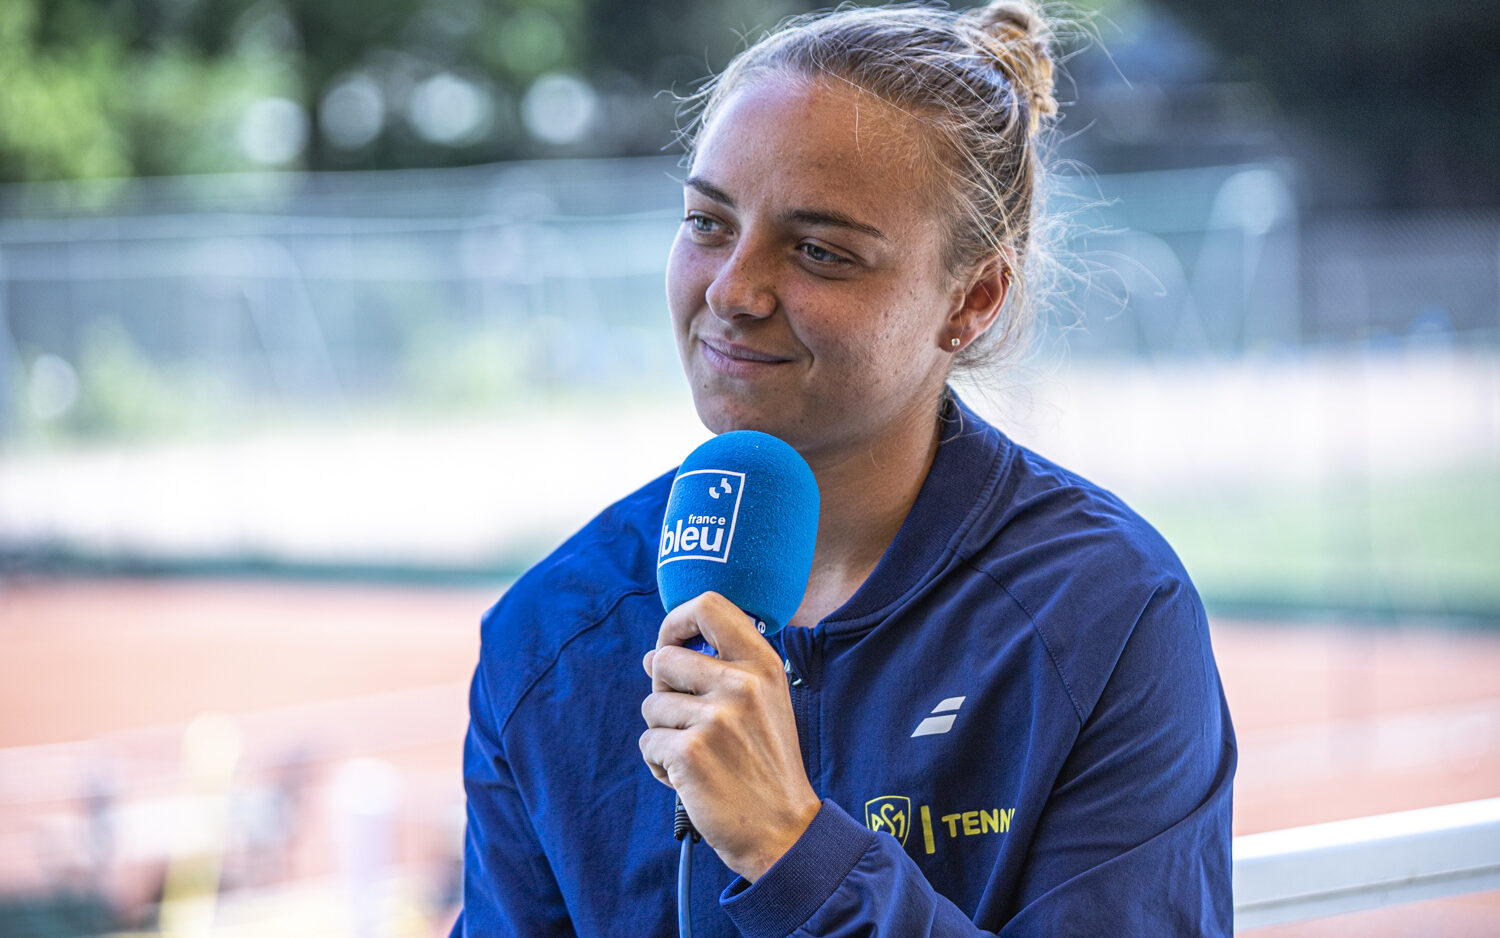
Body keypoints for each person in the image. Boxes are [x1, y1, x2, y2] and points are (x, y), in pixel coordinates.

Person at [451, 2, 1236, 935]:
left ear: (973, 299)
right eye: (707, 222)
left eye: (819, 251)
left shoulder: (1104, 613)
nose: (732, 292)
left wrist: (793, 850)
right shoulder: (548, 636)